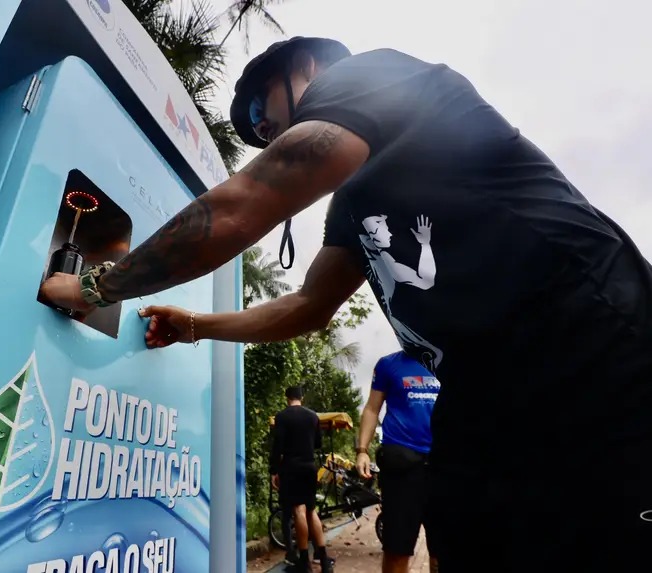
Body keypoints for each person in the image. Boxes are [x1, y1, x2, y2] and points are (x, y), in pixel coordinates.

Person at [40, 36, 652, 571]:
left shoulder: (370, 74)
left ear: (306, 67)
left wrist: (95, 287)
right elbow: (308, 304)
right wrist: (194, 325)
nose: (261, 130)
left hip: (592, 344)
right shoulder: (355, 205)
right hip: (489, 396)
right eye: (253, 129)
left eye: (259, 109)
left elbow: (246, 201)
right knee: (469, 533)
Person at [356, 351, 440, 573]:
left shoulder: (450, 361)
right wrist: (362, 450)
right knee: (397, 550)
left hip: (444, 466)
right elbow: (372, 408)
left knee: (444, 553)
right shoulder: (388, 364)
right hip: (402, 466)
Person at [270, 386, 333, 572]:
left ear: (287, 398)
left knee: (299, 510)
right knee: (311, 511)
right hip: (309, 467)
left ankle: (304, 562)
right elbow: (318, 443)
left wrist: (274, 470)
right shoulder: (313, 416)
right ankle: (324, 560)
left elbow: (277, 446)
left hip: (291, 468)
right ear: (301, 397)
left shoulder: (282, 417)